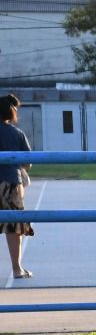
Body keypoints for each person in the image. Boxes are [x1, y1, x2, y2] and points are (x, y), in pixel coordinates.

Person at [1, 94, 34, 280]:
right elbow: (28, 163)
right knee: (14, 228)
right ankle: (16, 268)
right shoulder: (17, 134)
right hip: (10, 183)